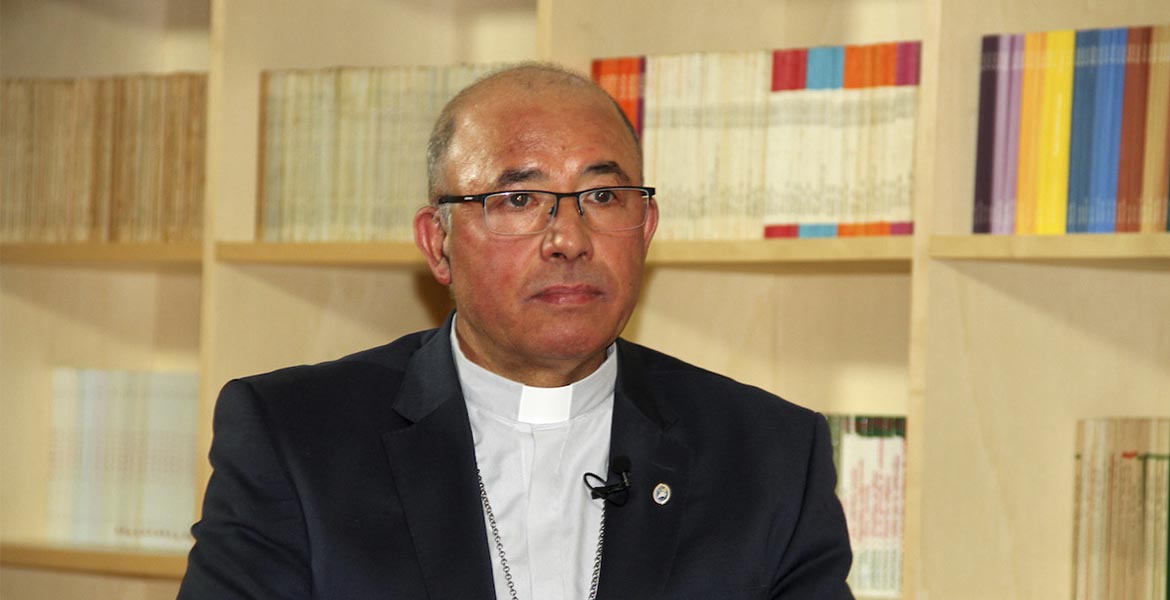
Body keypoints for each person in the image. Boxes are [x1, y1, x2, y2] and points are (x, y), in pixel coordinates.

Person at [178, 63, 853, 599]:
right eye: (519, 199)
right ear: (438, 242)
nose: (569, 239)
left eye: (603, 196)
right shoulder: (294, 438)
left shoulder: (771, 456)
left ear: (645, 230)